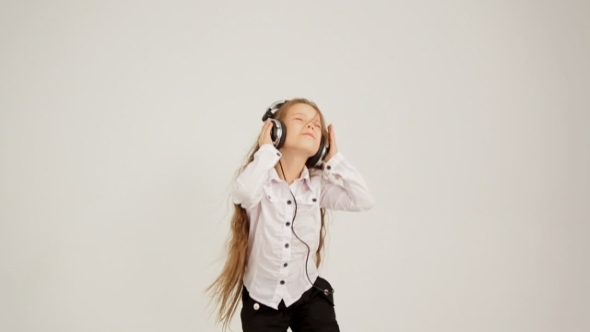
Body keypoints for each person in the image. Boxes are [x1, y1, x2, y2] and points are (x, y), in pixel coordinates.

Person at [206, 98, 374, 331]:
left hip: (306, 293)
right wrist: (266, 150)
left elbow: (363, 199)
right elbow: (243, 194)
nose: (312, 126)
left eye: (317, 124)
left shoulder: (317, 186)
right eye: (300, 119)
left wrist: (334, 159)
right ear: (277, 131)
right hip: (263, 301)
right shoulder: (259, 181)